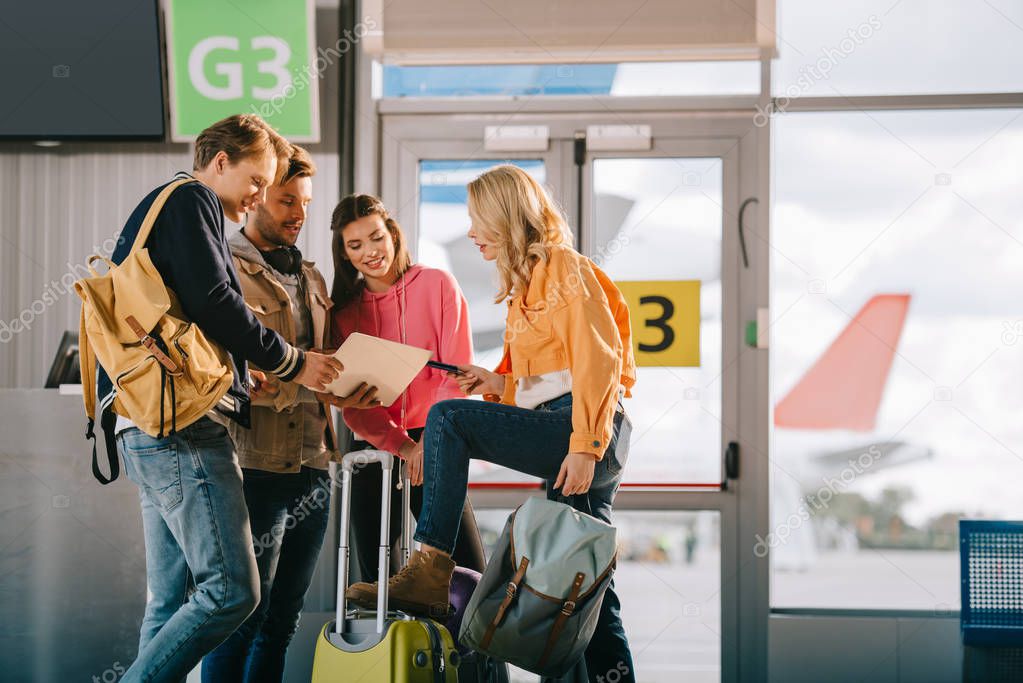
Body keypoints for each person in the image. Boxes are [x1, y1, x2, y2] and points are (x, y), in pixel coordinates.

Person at [345, 165, 638, 681]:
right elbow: (554, 378)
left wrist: (586, 446)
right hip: (566, 424)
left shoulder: (565, 268)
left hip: (585, 430)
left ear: (506, 217)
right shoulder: (525, 288)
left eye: (477, 221)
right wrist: (497, 383)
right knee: (577, 584)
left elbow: (600, 360)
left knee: (447, 418)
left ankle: (431, 567)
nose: (472, 233)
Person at [104, 115, 345, 683]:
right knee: (233, 592)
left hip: (147, 423)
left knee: (168, 603)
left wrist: (238, 378)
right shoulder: (193, 201)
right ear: (220, 164)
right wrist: (293, 361)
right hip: (183, 427)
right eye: (257, 181)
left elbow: (188, 311)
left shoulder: (165, 205)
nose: (260, 196)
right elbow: (215, 301)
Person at [201, 146, 377, 682]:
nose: (298, 213)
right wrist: (297, 379)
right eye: (284, 201)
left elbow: (319, 369)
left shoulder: (313, 278)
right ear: (254, 200)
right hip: (253, 466)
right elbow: (215, 370)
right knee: (240, 617)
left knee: (283, 621)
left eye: (304, 202)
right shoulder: (221, 267)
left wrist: (345, 393)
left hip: (314, 467)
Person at [324, 194, 486, 581]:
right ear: (344, 254)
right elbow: (354, 405)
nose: (370, 252)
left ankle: (466, 642)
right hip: (375, 448)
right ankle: (392, 641)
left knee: (465, 569)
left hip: (436, 439)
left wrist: (427, 441)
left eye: (376, 237)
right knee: (375, 579)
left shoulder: (437, 285)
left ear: (393, 235)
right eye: (356, 245)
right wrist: (403, 445)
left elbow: (455, 374)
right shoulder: (344, 315)